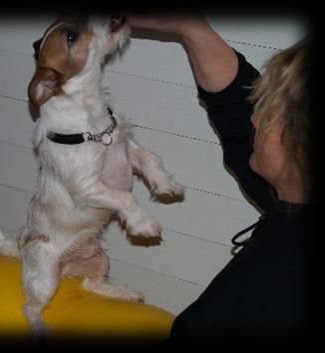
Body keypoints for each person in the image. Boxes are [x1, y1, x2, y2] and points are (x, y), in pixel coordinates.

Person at [126, 13, 315, 340]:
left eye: (270, 111)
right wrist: (191, 27)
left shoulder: (277, 290)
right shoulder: (292, 197)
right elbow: (238, 114)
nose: (255, 117)